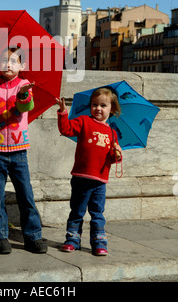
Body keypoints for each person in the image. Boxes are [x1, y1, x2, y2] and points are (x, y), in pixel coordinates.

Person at [0, 46, 47, 255]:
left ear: (22, 66)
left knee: (26, 195)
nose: (8, 64)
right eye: (4, 61)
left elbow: (26, 107)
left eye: (13, 61)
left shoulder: (24, 86)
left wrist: (24, 96)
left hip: (19, 151)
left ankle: (33, 236)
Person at [55, 87, 122, 256]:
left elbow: (112, 159)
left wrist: (117, 154)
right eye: (94, 104)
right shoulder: (84, 121)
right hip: (81, 177)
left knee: (97, 213)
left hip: (100, 181)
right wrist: (63, 113)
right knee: (77, 211)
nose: (98, 108)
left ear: (112, 109)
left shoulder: (113, 133)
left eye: (103, 105)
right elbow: (66, 129)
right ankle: (72, 239)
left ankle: (98, 242)